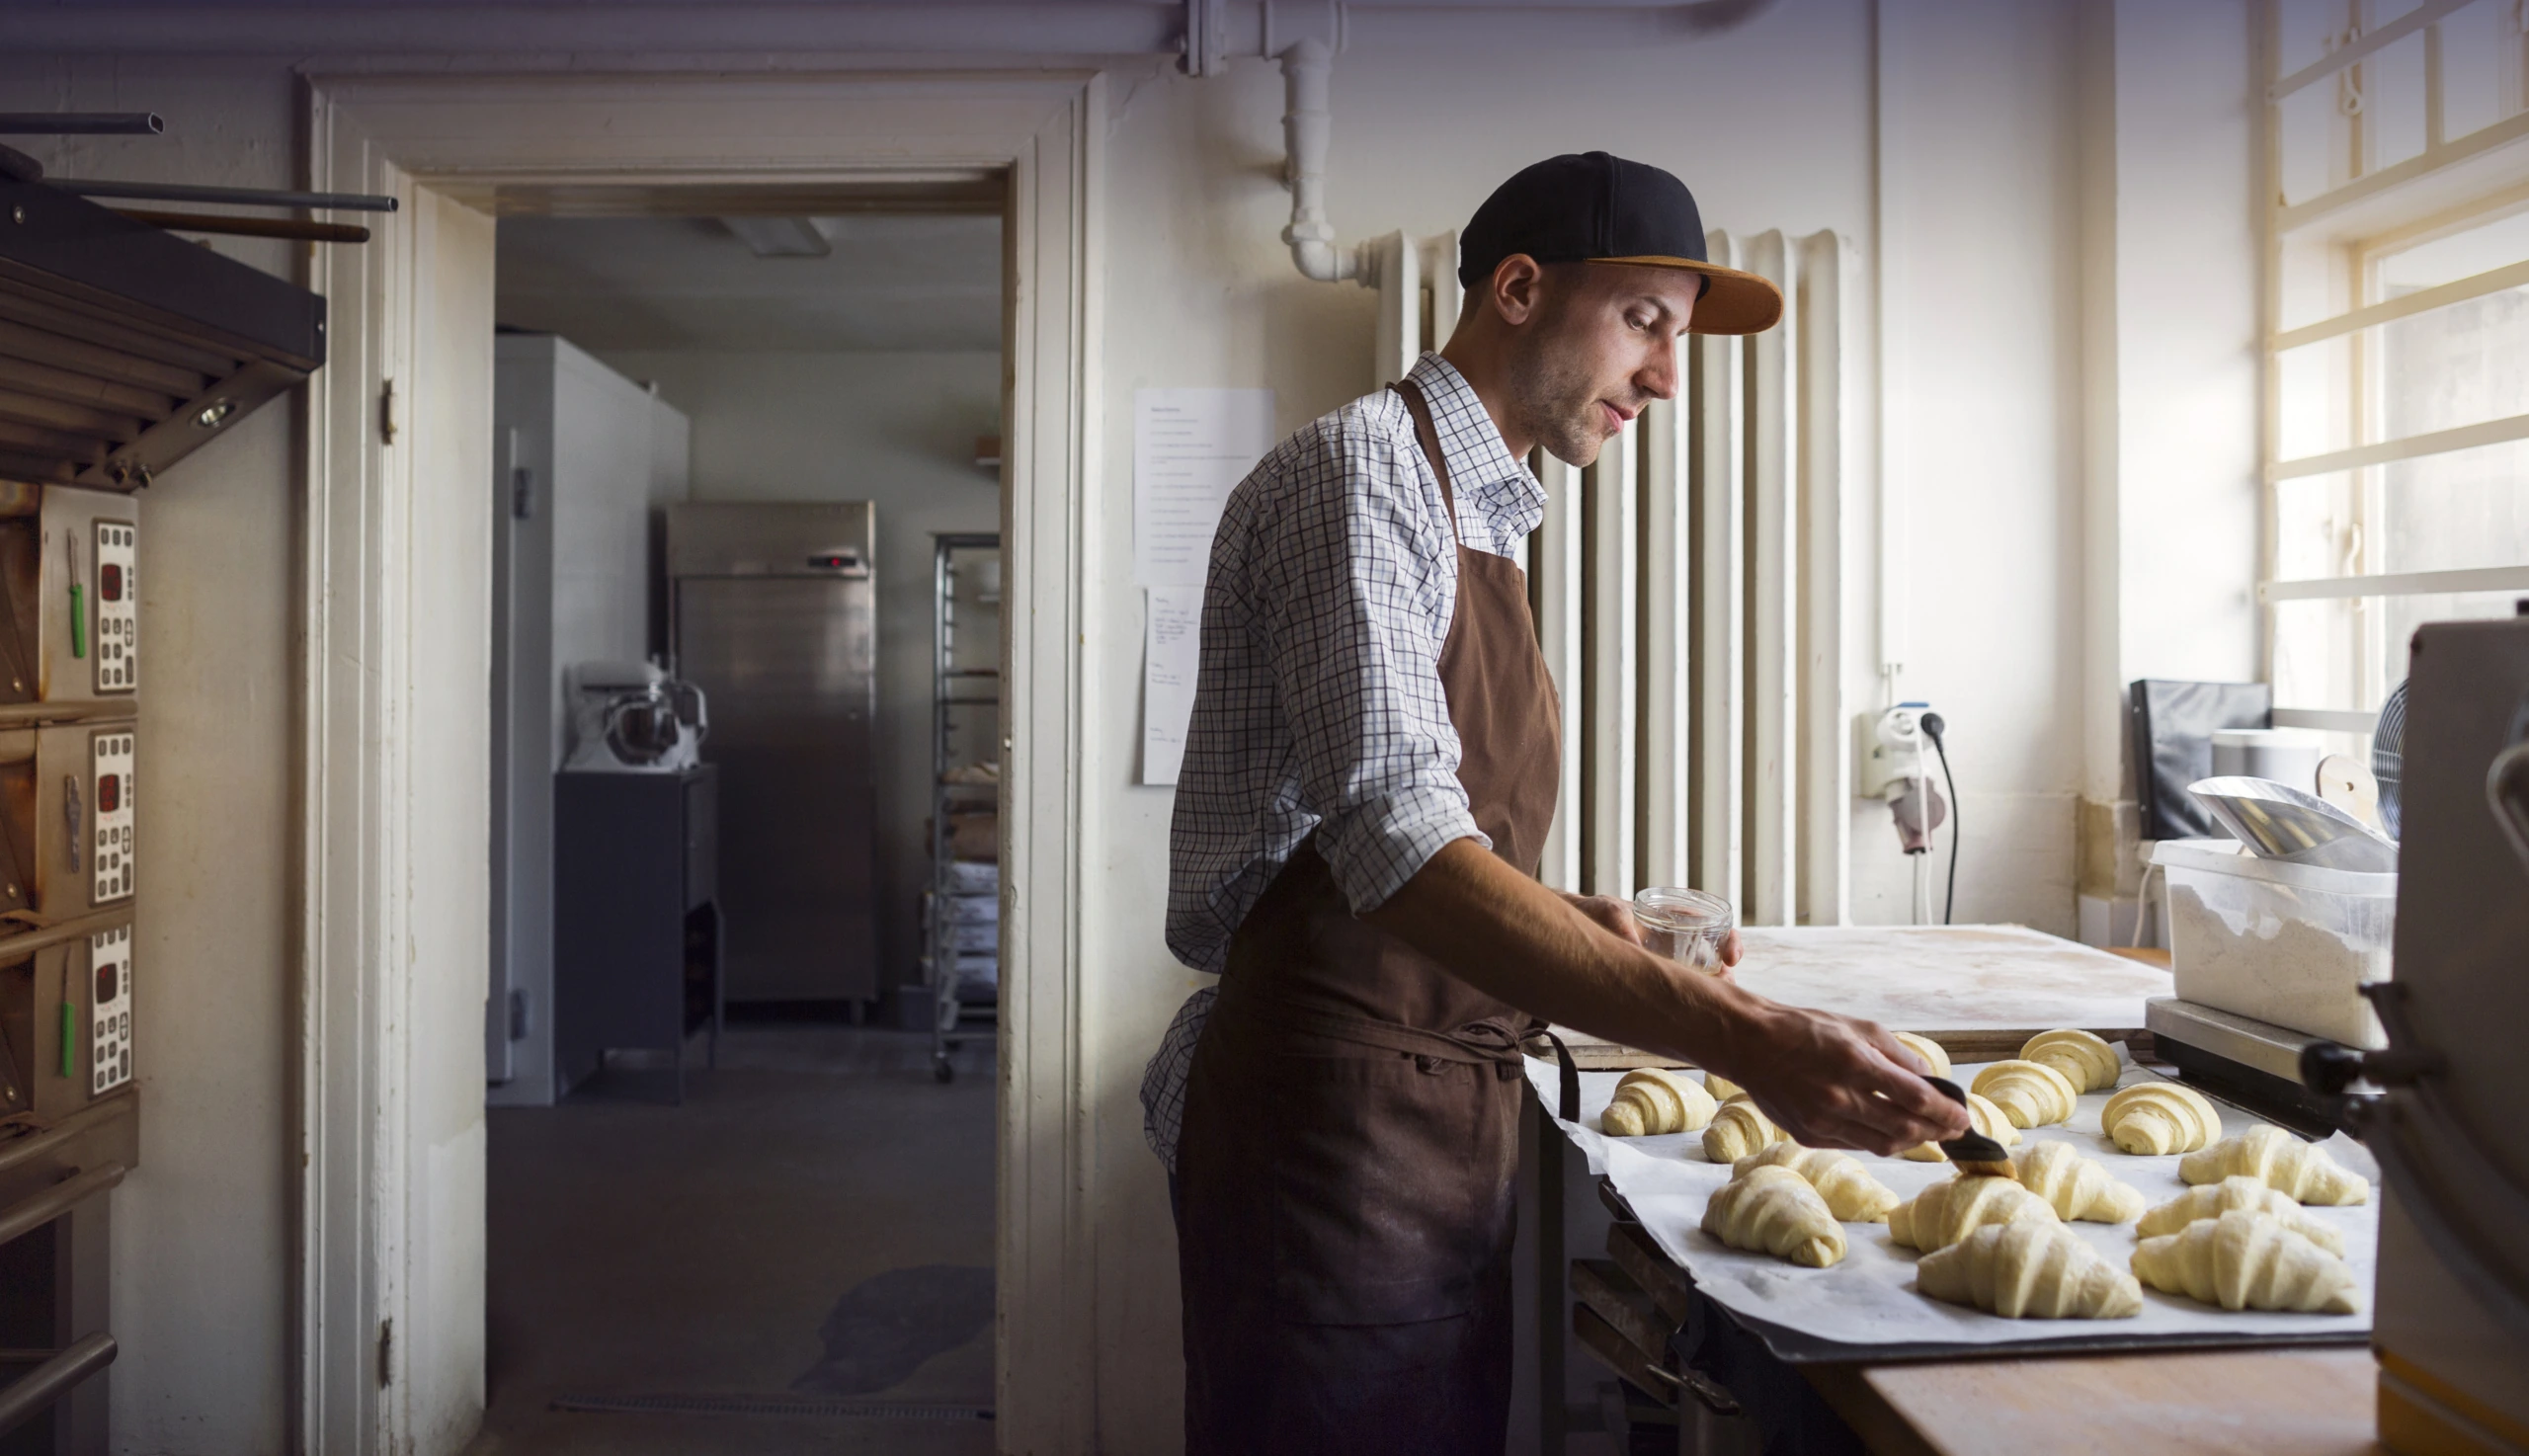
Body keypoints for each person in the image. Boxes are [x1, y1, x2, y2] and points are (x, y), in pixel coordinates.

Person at [1141, 152, 1967, 1456]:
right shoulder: (1364, 475)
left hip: (1430, 1111)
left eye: (1678, 339)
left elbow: (1414, 831)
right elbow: (1401, 848)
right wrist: (1749, 1036)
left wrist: (1574, 921)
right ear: (1520, 288)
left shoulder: (1484, 512)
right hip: (1331, 1128)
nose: (1668, 378)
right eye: (1646, 321)